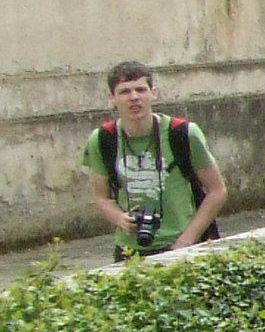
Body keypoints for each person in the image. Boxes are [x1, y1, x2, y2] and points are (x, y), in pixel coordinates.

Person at [83, 63, 225, 260]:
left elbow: (217, 191)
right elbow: (102, 197)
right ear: (111, 99)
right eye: (124, 92)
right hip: (129, 249)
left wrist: (187, 240)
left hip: (180, 243)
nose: (134, 97)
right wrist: (120, 218)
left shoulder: (184, 133)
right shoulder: (102, 139)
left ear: (153, 93)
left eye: (141, 89)